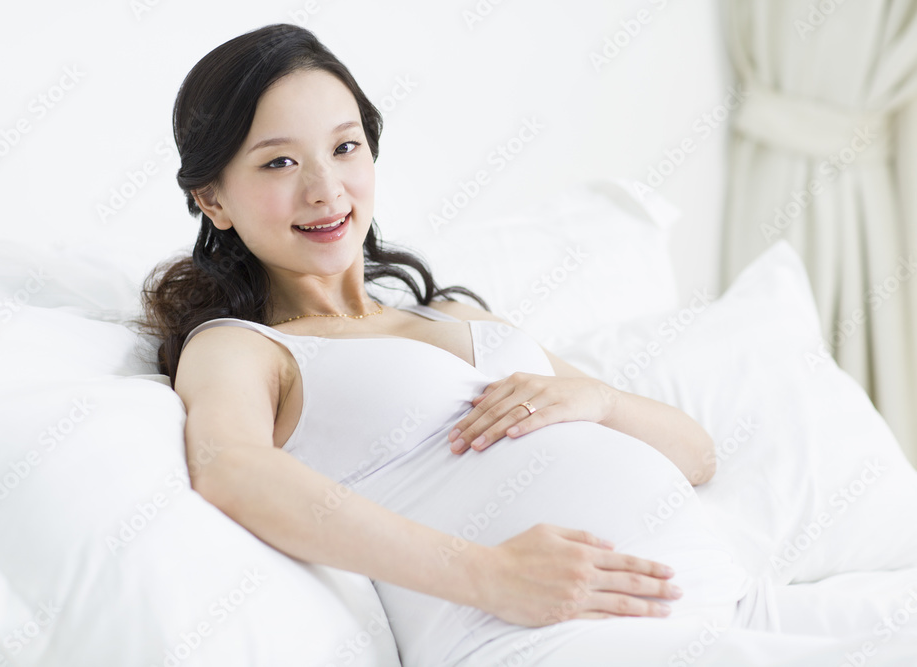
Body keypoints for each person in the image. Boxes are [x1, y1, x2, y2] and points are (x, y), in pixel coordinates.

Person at [140, 23, 760, 666]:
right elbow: (232, 470)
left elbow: (698, 455)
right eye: (279, 162)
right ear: (212, 198)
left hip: (727, 604)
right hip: (550, 640)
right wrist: (491, 575)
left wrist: (598, 400)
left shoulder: (457, 314)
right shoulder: (245, 348)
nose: (326, 188)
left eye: (345, 148)